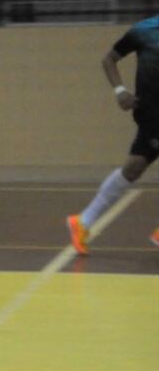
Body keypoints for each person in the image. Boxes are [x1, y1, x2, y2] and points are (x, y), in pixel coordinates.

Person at [67, 15, 159, 254]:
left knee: (133, 168)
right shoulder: (143, 31)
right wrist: (120, 91)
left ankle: (83, 222)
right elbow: (109, 59)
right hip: (152, 116)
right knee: (134, 168)